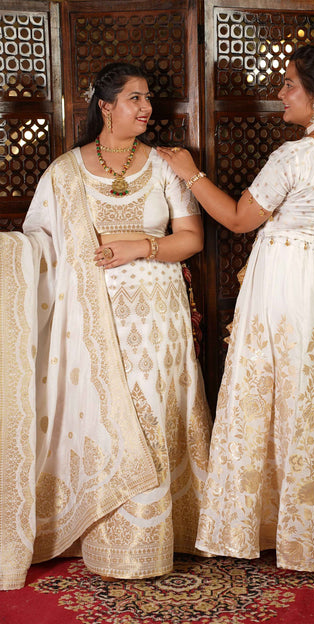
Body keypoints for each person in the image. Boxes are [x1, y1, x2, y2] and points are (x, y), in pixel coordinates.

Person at [157, 45, 314, 572]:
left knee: (285, 392)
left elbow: (237, 220)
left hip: (288, 289)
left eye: (289, 84)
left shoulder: (294, 157)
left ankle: (282, 527)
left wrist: (190, 173)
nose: (281, 94)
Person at [0, 62, 212, 590]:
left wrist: (140, 246)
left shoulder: (164, 165)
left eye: (148, 99)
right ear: (106, 105)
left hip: (157, 316)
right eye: (135, 98)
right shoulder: (65, 172)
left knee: (155, 407)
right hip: (89, 318)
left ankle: (162, 536)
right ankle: (104, 536)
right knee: (105, 410)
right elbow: (41, 244)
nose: (146, 108)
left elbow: (191, 238)